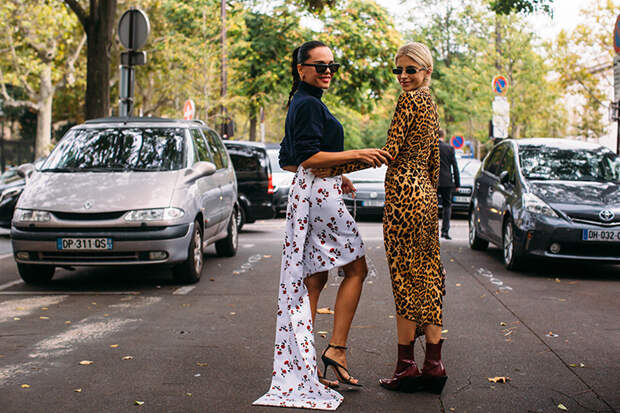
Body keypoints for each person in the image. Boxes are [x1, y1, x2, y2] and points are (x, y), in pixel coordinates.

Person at [253, 40, 391, 410]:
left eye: (331, 65)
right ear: (301, 69)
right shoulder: (308, 104)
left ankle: (305, 364)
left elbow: (290, 160)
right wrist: (357, 156)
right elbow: (307, 156)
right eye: (319, 66)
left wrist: (336, 173)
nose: (327, 71)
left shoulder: (301, 102)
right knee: (356, 269)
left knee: (314, 279)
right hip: (320, 200)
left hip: (312, 193)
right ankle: (337, 350)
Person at [315, 42, 448, 395]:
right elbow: (434, 160)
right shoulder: (431, 103)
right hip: (425, 196)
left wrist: (338, 166)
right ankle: (434, 364)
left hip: (404, 195)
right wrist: (429, 196)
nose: (403, 76)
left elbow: (389, 151)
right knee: (428, 275)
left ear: (426, 71)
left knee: (404, 278)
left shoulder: (408, 101)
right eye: (398, 70)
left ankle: (406, 366)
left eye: (410, 70)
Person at [438, 129, 460, 240]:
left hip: (433, 181)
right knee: (447, 206)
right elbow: (455, 167)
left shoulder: (431, 148)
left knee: (431, 206)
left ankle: (430, 231)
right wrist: (457, 183)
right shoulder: (449, 148)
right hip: (447, 182)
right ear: (444, 136)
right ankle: (445, 231)